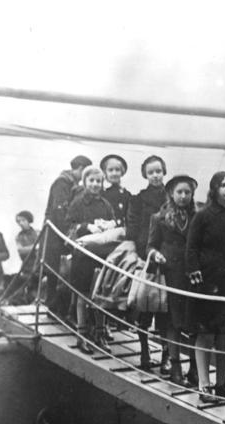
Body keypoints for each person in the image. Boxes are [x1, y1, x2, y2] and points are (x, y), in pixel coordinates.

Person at [187, 171, 225, 402]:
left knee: (224, 334)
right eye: (223, 185)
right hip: (206, 282)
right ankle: (204, 385)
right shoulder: (203, 216)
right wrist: (194, 270)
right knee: (205, 332)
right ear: (215, 189)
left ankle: (222, 384)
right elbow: (191, 247)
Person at [148, 175, 197, 386]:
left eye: (187, 192)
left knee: (194, 323)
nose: (183, 196)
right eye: (179, 192)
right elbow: (150, 245)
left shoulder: (198, 217)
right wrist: (155, 254)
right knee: (174, 323)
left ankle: (194, 369)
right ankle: (176, 368)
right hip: (171, 273)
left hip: (193, 274)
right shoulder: (159, 218)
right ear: (171, 193)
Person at [66, 166, 116, 354]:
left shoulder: (106, 204)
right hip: (83, 255)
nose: (95, 184)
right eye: (91, 181)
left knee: (101, 293)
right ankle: (82, 335)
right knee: (83, 294)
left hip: (102, 254)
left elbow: (113, 223)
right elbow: (68, 225)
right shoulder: (78, 202)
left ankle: (100, 333)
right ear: (85, 181)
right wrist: (86, 226)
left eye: (98, 181)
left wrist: (110, 224)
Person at [126, 155, 169, 372]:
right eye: (151, 172)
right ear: (145, 174)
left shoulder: (173, 195)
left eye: (158, 171)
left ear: (164, 172)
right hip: (148, 254)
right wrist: (147, 250)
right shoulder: (138, 199)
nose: (155, 176)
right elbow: (133, 228)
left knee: (167, 309)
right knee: (146, 304)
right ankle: (144, 352)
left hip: (169, 256)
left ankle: (166, 357)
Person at [43, 154, 91, 312]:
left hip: (61, 232)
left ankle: (58, 307)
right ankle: (53, 307)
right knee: (55, 270)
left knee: (61, 270)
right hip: (56, 233)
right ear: (80, 169)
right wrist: (68, 234)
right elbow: (60, 209)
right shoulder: (62, 182)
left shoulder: (70, 183)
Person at [100, 154, 131, 227]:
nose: (114, 173)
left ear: (122, 172)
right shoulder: (100, 192)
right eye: (110, 170)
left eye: (117, 170)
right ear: (105, 172)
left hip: (121, 229)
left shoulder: (126, 194)